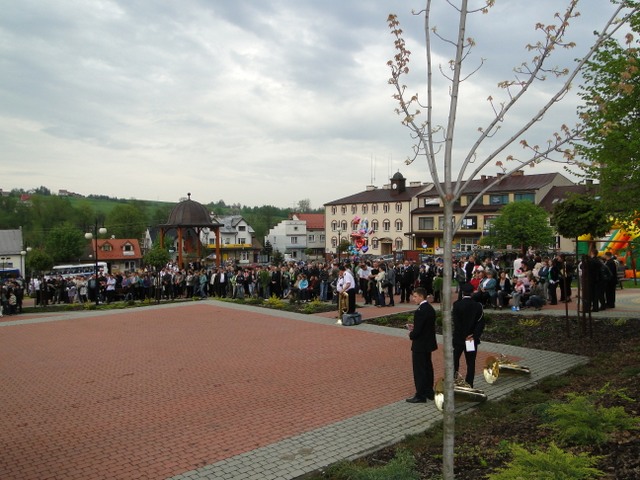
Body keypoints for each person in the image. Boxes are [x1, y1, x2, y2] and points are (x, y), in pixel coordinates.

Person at [406, 287, 438, 403]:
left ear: (421, 296)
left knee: (419, 370)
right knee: (428, 367)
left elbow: (418, 331)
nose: (413, 299)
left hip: (420, 344)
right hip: (428, 343)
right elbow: (426, 326)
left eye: (415, 296)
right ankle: (429, 391)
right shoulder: (430, 308)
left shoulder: (420, 311)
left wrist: (411, 333)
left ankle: (420, 395)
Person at [452, 283, 485, 388]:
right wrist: (474, 336)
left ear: (462, 292)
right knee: (470, 362)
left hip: (459, 339)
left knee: (455, 360)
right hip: (470, 340)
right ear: (472, 293)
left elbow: (456, 322)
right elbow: (480, 323)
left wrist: (463, 335)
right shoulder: (478, 306)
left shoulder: (456, 305)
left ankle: (453, 380)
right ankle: (469, 383)